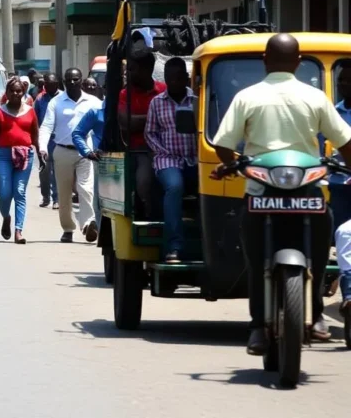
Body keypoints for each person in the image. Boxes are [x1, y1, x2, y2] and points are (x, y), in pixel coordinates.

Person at [211, 33, 351, 354]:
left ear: (264, 61)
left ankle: (258, 328)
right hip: (308, 191)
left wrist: (233, 166)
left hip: (260, 191)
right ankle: (316, 316)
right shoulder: (315, 97)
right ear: (299, 63)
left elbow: (222, 144)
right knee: (318, 251)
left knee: (256, 256)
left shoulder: (247, 96)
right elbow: (345, 142)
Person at [144, 58, 198, 264]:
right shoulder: (157, 103)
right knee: (175, 186)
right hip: (168, 161)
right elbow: (150, 133)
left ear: (186, 78)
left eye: (177, 78)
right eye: (169, 78)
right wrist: (164, 151)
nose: (173, 82)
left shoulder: (197, 100)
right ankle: (174, 247)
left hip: (195, 160)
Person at [39, 68, 101, 243]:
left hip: (86, 152)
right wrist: (42, 148)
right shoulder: (56, 102)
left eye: (75, 79)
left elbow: (102, 123)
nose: (72, 83)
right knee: (64, 193)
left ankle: (89, 224)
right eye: (68, 80)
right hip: (62, 150)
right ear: (63, 82)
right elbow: (46, 127)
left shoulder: (93, 101)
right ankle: (68, 229)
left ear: (81, 80)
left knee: (86, 188)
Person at [0, 77, 42, 244]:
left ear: (23, 92)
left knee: (19, 192)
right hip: (3, 155)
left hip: (25, 155)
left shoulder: (30, 111)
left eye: (19, 90)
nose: (16, 93)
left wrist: (40, 153)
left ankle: (18, 231)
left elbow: (35, 135)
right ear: (7, 93)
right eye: (12, 91)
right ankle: (6, 217)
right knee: (4, 193)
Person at [118, 48, 166, 216]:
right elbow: (126, 123)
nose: (128, 73)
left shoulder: (163, 90)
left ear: (147, 70)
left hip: (166, 149)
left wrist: (141, 120)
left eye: (132, 69)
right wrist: (157, 117)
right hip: (140, 150)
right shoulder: (125, 94)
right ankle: (146, 211)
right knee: (143, 179)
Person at [329, 68, 351, 311]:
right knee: (343, 238)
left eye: (349, 80)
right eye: (342, 80)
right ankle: (348, 296)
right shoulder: (334, 113)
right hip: (340, 184)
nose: (345, 84)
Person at [72, 94, 105, 240]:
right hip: (104, 162)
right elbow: (77, 133)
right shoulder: (96, 111)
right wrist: (87, 152)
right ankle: (99, 228)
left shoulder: (130, 109)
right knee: (100, 201)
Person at [34, 74, 61, 208]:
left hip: (59, 139)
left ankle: (57, 198)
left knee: (57, 170)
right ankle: (46, 197)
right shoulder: (40, 99)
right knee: (44, 169)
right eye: (47, 84)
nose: (49, 86)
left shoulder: (63, 97)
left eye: (52, 84)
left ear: (57, 84)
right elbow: (35, 120)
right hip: (45, 139)